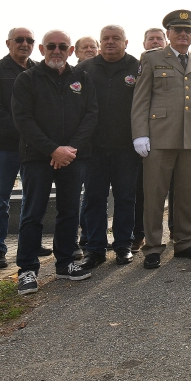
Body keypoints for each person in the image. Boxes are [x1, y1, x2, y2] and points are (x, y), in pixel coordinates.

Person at [10, 30, 98, 294]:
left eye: (62, 46)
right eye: (51, 46)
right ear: (42, 49)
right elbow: (23, 119)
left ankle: (65, 263)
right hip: (37, 157)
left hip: (73, 157)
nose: (56, 50)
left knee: (69, 211)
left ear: (71, 51)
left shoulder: (82, 78)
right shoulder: (27, 79)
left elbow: (91, 116)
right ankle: (27, 270)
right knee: (33, 213)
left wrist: (69, 150)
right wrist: (52, 150)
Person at [131, 10, 191, 269]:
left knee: (187, 194)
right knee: (154, 195)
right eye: (177, 30)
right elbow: (141, 99)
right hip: (159, 138)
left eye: (187, 30)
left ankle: (184, 242)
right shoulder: (153, 58)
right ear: (168, 34)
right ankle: (153, 247)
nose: (182, 34)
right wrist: (140, 133)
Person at [76, 25, 140, 268]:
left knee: (125, 197)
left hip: (127, 147)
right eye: (106, 39)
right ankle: (95, 248)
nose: (110, 42)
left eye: (116, 38)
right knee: (94, 198)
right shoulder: (84, 69)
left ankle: (123, 245)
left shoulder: (137, 67)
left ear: (126, 42)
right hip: (93, 148)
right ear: (100, 43)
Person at [0, 26, 42, 270]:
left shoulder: (38, 70)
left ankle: (30, 244)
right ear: (8, 43)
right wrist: (25, 130)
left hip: (32, 147)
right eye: (19, 40)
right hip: (3, 145)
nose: (24, 44)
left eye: (29, 40)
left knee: (32, 198)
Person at [134, 27, 168, 250]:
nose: (155, 42)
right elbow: (141, 100)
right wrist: (140, 134)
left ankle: (178, 232)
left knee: (177, 191)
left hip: (170, 138)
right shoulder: (140, 63)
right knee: (144, 192)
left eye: (159, 38)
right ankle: (140, 235)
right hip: (144, 139)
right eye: (151, 39)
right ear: (144, 43)